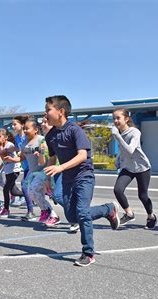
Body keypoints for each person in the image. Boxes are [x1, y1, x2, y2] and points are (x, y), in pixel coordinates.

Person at [43, 95, 120, 267]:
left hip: (84, 175)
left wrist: (61, 168)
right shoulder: (51, 136)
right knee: (73, 216)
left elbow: (82, 155)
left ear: (61, 111)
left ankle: (88, 253)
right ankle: (108, 209)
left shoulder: (74, 130)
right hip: (68, 179)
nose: (45, 113)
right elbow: (52, 158)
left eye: (48, 109)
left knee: (83, 213)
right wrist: (47, 179)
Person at [111, 108, 157, 229]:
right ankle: (129, 213)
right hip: (128, 167)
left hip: (142, 167)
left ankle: (151, 215)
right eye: (114, 118)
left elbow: (130, 150)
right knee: (118, 190)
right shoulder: (119, 133)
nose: (115, 121)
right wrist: (118, 160)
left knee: (142, 195)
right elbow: (122, 150)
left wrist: (117, 136)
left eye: (118, 118)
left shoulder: (135, 132)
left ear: (126, 119)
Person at [10, 119, 60, 226]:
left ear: (36, 130)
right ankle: (51, 214)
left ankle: (49, 211)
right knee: (32, 193)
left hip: (44, 171)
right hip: (33, 173)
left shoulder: (42, 140)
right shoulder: (24, 143)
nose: (25, 130)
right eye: (24, 128)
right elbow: (22, 157)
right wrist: (12, 160)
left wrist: (41, 154)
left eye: (27, 128)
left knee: (33, 190)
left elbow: (47, 159)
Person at [0, 128, 25, 218]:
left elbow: (11, 151)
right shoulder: (0, 146)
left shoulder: (9, 145)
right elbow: (1, 159)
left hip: (15, 170)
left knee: (6, 189)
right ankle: (29, 195)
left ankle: (6, 210)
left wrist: (2, 151)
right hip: (8, 170)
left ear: (5, 137)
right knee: (13, 192)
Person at [12, 115, 31, 208]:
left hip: (32, 166)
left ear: (22, 125)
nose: (13, 126)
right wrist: (8, 150)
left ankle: (30, 210)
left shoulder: (27, 137)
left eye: (15, 124)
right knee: (30, 187)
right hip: (25, 166)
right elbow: (17, 148)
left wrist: (20, 154)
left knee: (24, 185)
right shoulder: (16, 138)